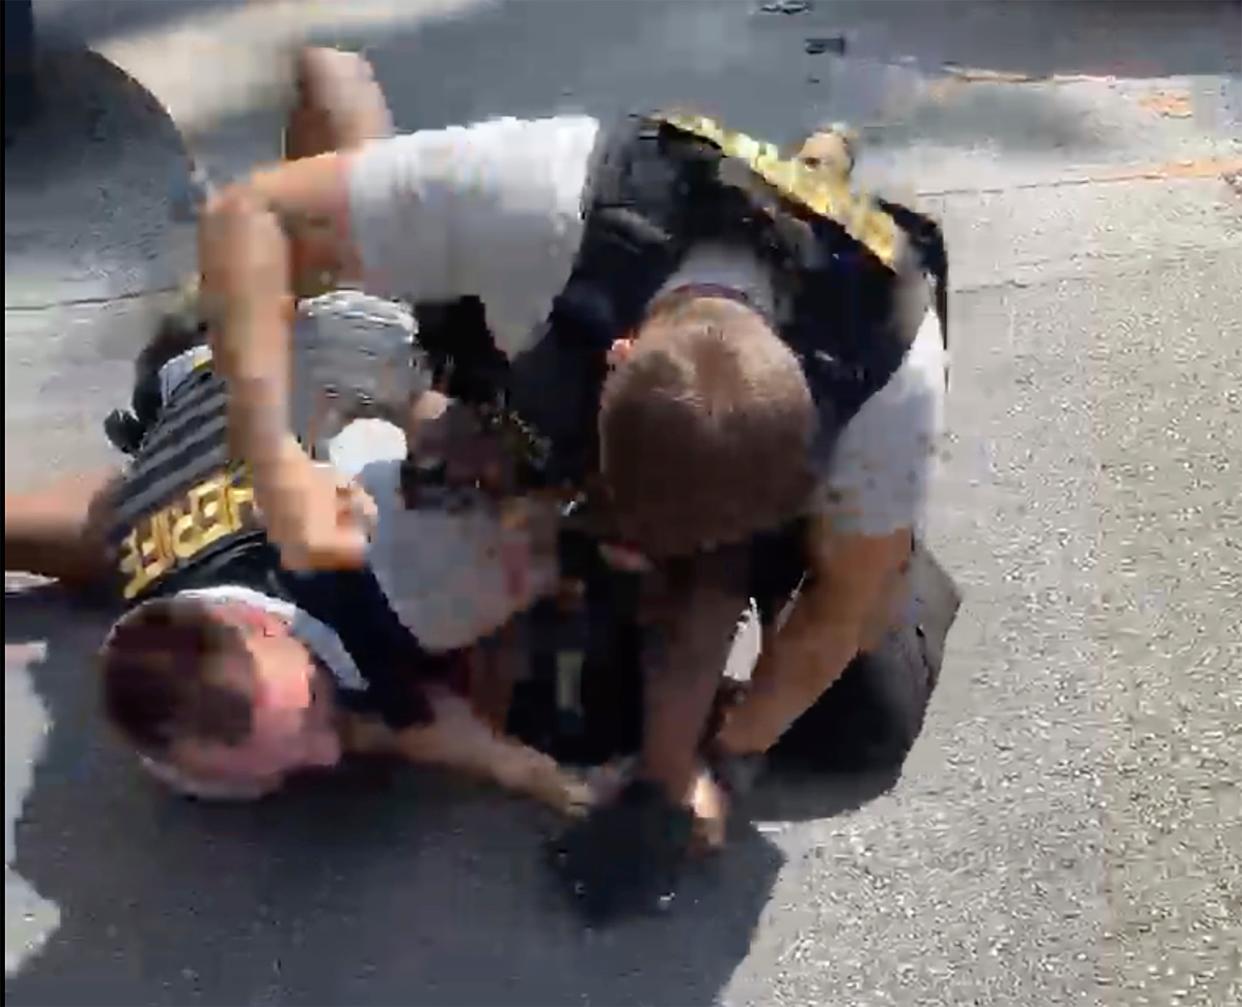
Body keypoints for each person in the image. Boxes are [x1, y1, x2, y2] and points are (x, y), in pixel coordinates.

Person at [201, 47, 959, 919]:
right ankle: (336, 101)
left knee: (863, 715)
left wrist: (720, 763)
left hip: (776, 373)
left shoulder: (887, 380)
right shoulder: (539, 198)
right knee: (549, 672)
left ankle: (819, 162)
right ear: (619, 357)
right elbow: (248, 216)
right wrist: (275, 459)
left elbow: (842, 608)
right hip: (549, 340)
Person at [1, 50, 587, 814]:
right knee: (121, 527)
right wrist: (531, 774)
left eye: (313, 715)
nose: (330, 747)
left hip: (274, 352)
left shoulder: (348, 533)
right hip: (173, 465)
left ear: (254, 625)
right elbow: (401, 725)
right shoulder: (170, 692)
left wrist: (426, 409)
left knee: (338, 101)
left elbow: (380, 368)